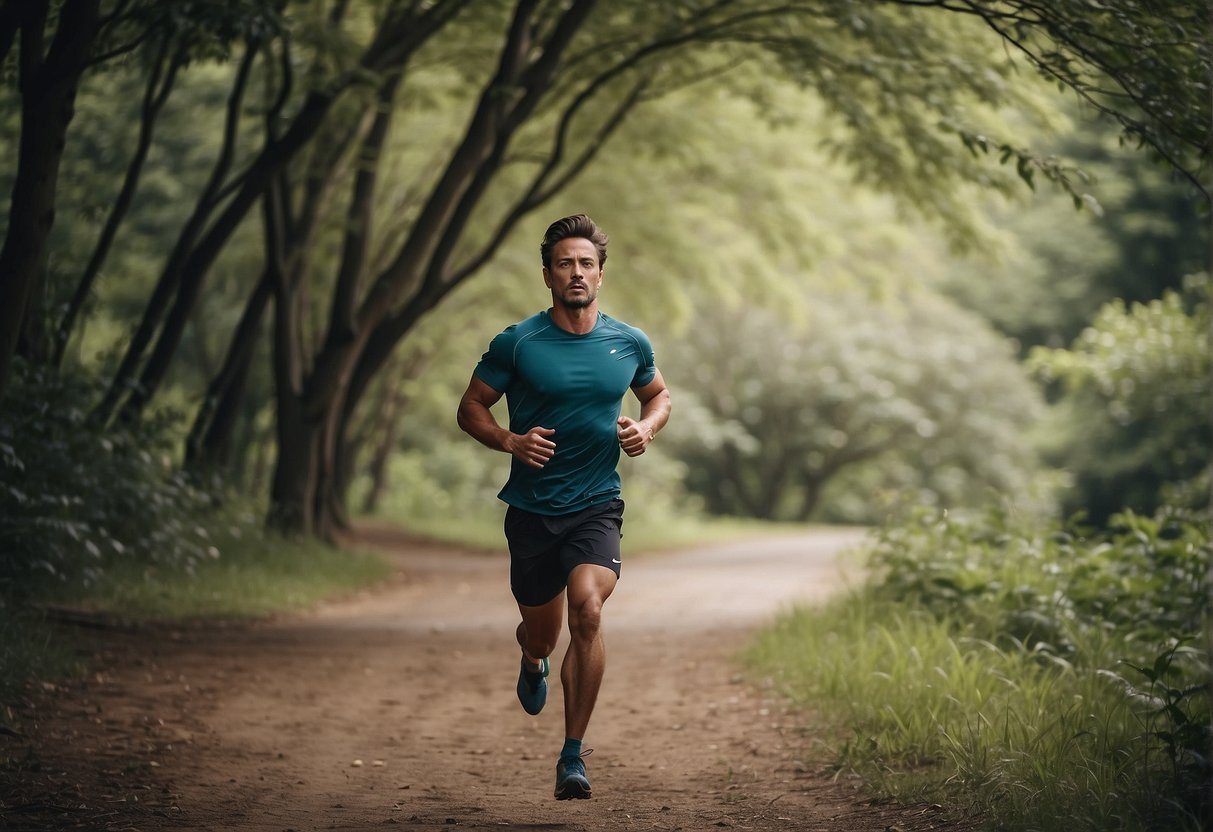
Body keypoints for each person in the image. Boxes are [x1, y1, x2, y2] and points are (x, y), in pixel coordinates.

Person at [456, 214, 671, 800]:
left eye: (586, 264)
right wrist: (508, 440)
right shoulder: (518, 342)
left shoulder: (629, 341)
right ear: (548, 274)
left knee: (590, 612)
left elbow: (658, 394)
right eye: (564, 264)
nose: (576, 273)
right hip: (531, 510)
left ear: (600, 273)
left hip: (597, 505)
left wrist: (647, 429)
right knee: (543, 636)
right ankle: (531, 660)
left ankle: (573, 755)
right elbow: (471, 406)